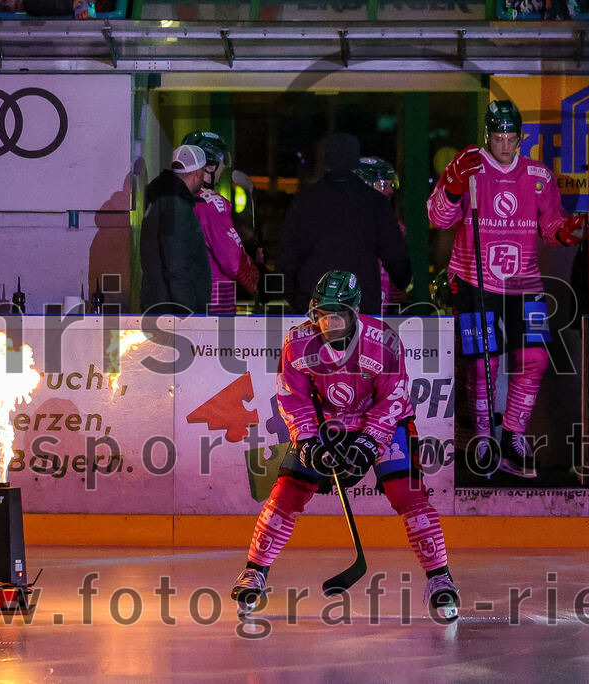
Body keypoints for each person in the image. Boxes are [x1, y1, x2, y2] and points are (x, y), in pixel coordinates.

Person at [231, 270, 460, 622]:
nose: (329, 322)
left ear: (355, 313)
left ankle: (440, 578)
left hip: (385, 423)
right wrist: (307, 440)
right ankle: (255, 572)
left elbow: (394, 398)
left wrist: (369, 442)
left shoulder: (383, 341)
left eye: (338, 314)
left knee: (407, 493)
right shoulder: (297, 343)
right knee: (287, 490)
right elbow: (293, 398)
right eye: (323, 313)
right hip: (327, 426)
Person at [426, 100, 585, 479]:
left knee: (534, 360)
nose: (503, 145)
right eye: (497, 138)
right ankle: (483, 438)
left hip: (523, 283)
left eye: (511, 138)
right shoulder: (471, 167)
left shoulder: (538, 175)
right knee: (483, 363)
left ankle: (513, 434)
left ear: (520, 138)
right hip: (474, 281)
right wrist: (451, 186)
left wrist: (565, 231)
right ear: (487, 135)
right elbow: (437, 217)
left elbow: (550, 227)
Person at [276, 133, 411, 316]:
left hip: (315, 304)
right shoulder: (375, 202)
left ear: (327, 161)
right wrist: (403, 279)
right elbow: (395, 254)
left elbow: (287, 257)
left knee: (315, 346)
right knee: (360, 346)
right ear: (355, 162)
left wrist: (297, 299)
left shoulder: (304, 201)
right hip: (361, 305)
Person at [182, 130, 259, 315]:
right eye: (222, 161)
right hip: (213, 308)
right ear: (209, 166)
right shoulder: (212, 203)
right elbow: (233, 261)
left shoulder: (170, 200)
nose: (224, 168)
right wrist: (255, 277)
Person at [139, 144, 213, 314]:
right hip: (172, 312)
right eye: (203, 172)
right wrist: (189, 313)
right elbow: (176, 265)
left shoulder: (162, 200)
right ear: (196, 174)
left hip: (162, 306)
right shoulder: (175, 207)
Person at [353, 156, 408, 313]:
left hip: (379, 311)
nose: (390, 190)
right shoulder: (345, 223)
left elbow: (399, 281)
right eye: (384, 184)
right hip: (352, 310)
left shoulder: (391, 224)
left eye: (392, 184)